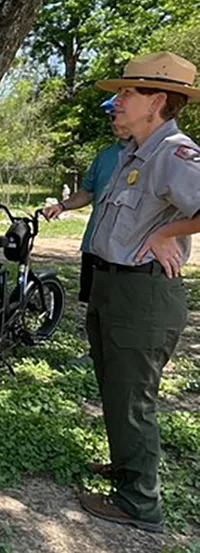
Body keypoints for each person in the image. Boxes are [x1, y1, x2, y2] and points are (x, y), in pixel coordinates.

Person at [76, 51, 200, 534]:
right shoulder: (134, 152)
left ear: (158, 101)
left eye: (128, 92)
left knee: (132, 398)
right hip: (112, 285)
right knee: (115, 388)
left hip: (142, 295)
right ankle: (127, 467)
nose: (118, 100)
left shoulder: (174, 152)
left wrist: (169, 235)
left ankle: (139, 503)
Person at [42, 96, 129, 365]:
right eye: (110, 117)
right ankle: (95, 353)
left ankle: (121, 356)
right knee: (93, 302)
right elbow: (88, 192)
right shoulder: (105, 155)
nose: (112, 121)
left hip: (129, 250)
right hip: (95, 244)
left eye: (117, 115)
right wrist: (63, 205)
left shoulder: (158, 154)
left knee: (125, 305)